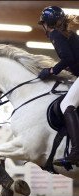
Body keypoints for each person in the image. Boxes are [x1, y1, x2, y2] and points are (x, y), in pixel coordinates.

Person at [38, 6, 79, 166]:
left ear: (46, 23)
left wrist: (51, 70)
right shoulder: (68, 33)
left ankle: (76, 152)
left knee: (66, 105)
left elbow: (68, 57)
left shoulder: (55, 34)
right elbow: (74, 59)